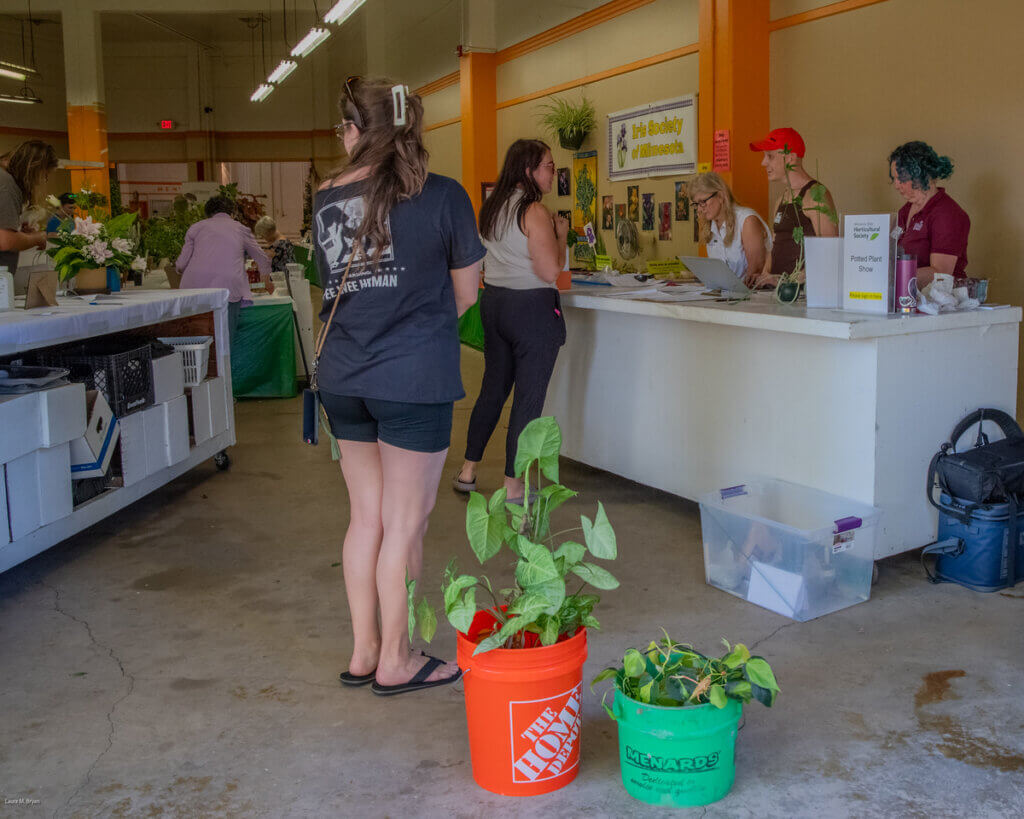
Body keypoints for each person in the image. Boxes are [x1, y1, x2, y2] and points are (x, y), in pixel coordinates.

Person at [314, 76, 484, 695]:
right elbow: (467, 295)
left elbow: (328, 284)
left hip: (342, 377)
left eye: (344, 127)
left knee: (368, 521)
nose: (342, 137)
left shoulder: (326, 196)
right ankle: (398, 660)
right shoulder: (443, 196)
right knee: (405, 524)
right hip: (412, 378)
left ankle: (364, 653)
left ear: (361, 130)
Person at [454, 139, 569, 503]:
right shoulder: (533, 211)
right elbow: (551, 271)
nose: (554, 172)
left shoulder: (492, 207)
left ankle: (468, 470)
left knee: (493, 389)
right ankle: (514, 484)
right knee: (527, 399)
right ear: (528, 170)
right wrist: (561, 237)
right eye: (549, 165)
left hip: (496, 305)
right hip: (532, 311)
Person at [749, 127, 837, 288]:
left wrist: (789, 282)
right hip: (775, 294)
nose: (763, 163)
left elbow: (829, 251)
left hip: (799, 296)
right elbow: (775, 243)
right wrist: (764, 276)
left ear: (790, 158)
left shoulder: (816, 195)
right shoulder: (782, 198)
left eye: (770, 156)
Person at [176, 195, 273, 341]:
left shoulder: (196, 227)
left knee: (196, 339)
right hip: (227, 288)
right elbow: (261, 258)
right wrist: (266, 281)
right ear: (232, 213)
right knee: (224, 340)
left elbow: (181, 265)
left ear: (208, 213)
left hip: (193, 289)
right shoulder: (241, 229)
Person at [889, 141, 969, 288]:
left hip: (941, 303)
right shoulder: (904, 211)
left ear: (920, 174)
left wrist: (893, 277)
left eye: (901, 178)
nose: (896, 185)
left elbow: (941, 273)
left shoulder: (947, 213)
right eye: (894, 179)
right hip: (909, 299)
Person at [688, 172, 771, 281]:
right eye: (696, 204)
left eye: (703, 202)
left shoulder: (747, 220)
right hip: (728, 293)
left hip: (753, 294)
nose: (699, 209)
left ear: (721, 196)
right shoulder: (711, 226)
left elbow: (755, 274)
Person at [0, 139, 57, 275]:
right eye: (44, 175)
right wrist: (38, 238)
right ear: (33, 167)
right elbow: (5, 240)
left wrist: (19, 233)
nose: (42, 181)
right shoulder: (6, 184)